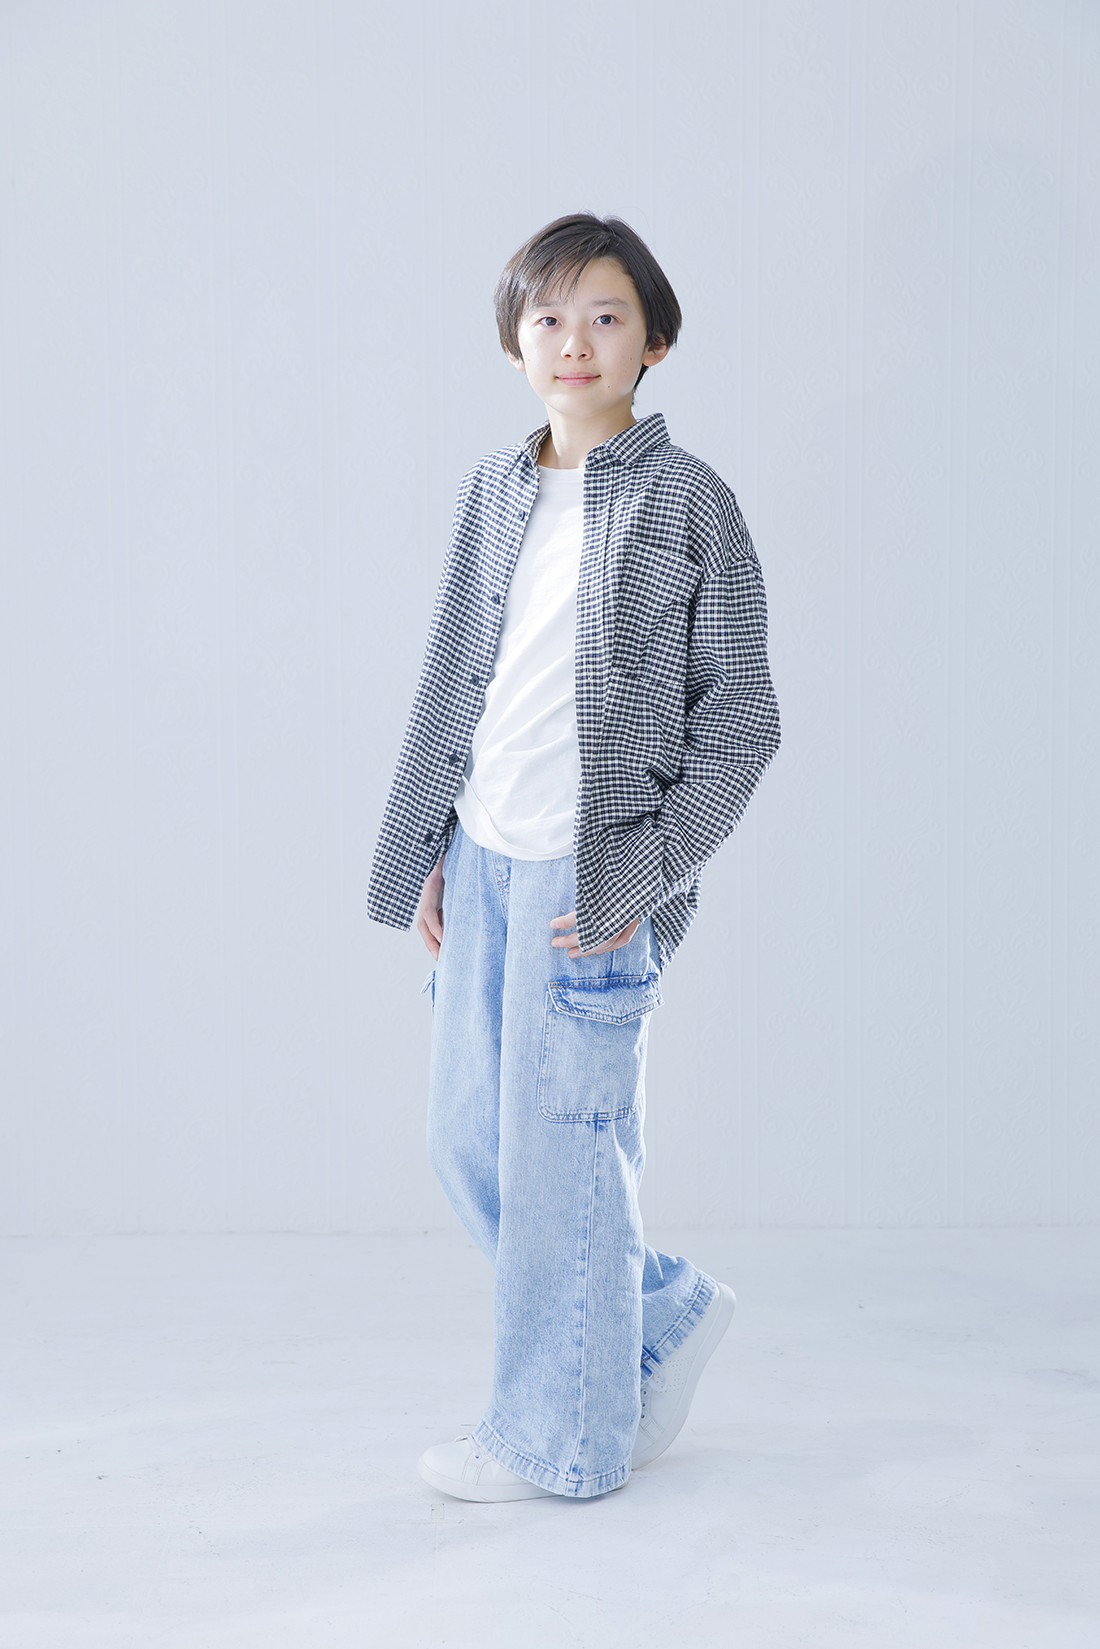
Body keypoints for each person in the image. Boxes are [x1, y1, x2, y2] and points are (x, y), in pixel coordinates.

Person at [368, 213, 780, 1501]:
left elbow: (744, 718)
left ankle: (559, 1440)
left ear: (654, 340)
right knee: (470, 1144)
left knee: (562, 1160)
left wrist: (647, 873)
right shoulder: (492, 492)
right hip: (484, 858)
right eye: (548, 316)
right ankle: (655, 1314)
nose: (575, 341)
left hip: (588, 879)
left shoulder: (689, 501)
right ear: (514, 343)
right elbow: (452, 680)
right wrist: (424, 849)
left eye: (607, 316)